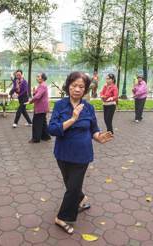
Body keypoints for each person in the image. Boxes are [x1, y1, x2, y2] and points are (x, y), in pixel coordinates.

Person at [48, 71, 113, 234]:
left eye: (81, 86)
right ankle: (82, 199)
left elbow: (94, 129)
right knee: (71, 184)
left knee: (72, 187)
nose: (77, 89)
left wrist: (99, 137)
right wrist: (72, 119)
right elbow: (52, 129)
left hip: (82, 155)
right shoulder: (60, 106)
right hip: (63, 154)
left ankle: (62, 217)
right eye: (74, 85)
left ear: (85, 90)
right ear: (68, 86)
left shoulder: (89, 107)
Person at [26, 73, 51, 143]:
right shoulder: (42, 85)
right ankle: (46, 136)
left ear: (42, 78)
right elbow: (37, 94)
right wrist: (34, 92)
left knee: (36, 122)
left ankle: (36, 139)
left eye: (38, 76)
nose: (37, 78)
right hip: (42, 107)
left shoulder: (42, 86)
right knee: (43, 122)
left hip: (41, 107)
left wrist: (30, 101)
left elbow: (37, 96)